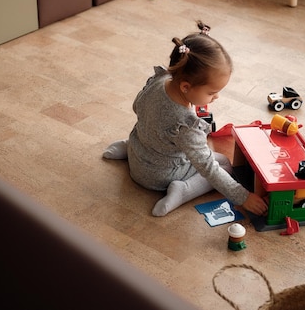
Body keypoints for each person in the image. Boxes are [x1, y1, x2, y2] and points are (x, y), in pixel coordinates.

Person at [103, 23, 267, 217]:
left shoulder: (160, 80)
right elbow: (207, 168)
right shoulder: (186, 125)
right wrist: (243, 197)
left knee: (153, 133)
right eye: (212, 92)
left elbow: (137, 107)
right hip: (158, 177)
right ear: (186, 87)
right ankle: (182, 190)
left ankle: (128, 147)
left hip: (138, 153)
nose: (216, 97)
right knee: (223, 164)